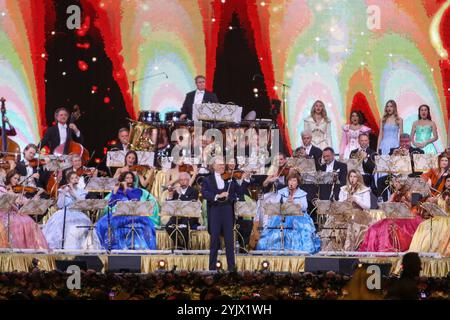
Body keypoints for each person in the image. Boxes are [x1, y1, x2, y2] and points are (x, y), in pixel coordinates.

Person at [256, 173, 320, 253]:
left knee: (300, 227)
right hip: (283, 216)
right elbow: (276, 204)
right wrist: (285, 204)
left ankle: (297, 249)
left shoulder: (302, 193)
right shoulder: (281, 192)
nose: (291, 182)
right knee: (276, 225)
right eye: (290, 180)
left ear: (297, 183)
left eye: (294, 180)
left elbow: (305, 207)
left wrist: (294, 203)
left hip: (299, 217)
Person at [95, 171, 159, 250]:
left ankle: (137, 246)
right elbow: (111, 204)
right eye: (127, 178)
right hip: (118, 214)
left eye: (131, 178)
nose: (129, 180)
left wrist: (126, 189)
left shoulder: (137, 191)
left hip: (133, 214)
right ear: (123, 180)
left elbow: (135, 201)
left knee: (144, 223)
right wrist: (114, 192)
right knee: (103, 223)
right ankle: (114, 246)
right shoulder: (118, 191)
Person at [359, 176, 423, 252]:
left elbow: (415, 208)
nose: (395, 184)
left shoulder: (412, 192)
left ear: (402, 183)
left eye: (398, 182)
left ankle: (386, 247)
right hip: (397, 217)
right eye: (395, 182)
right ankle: (377, 247)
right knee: (376, 226)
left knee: (388, 226)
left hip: (409, 217)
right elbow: (389, 205)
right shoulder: (396, 193)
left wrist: (405, 202)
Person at [42, 171, 101, 250]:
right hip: (65, 212)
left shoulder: (81, 191)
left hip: (78, 213)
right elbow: (60, 205)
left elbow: (82, 204)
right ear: (68, 180)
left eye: (76, 178)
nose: (74, 180)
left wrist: (73, 191)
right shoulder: (63, 190)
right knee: (60, 226)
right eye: (72, 178)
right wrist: (63, 193)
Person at [319, 170, 372, 251]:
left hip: (358, 212)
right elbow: (340, 203)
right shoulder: (344, 189)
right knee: (332, 219)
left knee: (351, 220)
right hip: (344, 212)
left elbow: (368, 206)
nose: (352, 179)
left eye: (354, 177)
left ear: (358, 178)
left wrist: (356, 200)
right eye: (351, 176)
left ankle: (348, 247)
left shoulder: (364, 190)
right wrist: (345, 201)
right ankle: (333, 245)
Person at [201, 157, 237, 270]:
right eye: (220, 164)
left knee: (229, 241)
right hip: (215, 210)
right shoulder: (208, 179)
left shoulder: (230, 178)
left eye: (223, 164)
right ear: (214, 166)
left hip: (227, 210)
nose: (222, 166)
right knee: (214, 241)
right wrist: (217, 196)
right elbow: (204, 193)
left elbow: (236, 193)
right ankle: (212, 268)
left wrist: (230, 196)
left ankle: (232, 268)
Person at [0, 170, 48, 249]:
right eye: (15, 178)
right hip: (4, 213)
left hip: (15, 213)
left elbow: (25, 202)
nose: (16, 181)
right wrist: (13, 200)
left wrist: (36, 197)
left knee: (29, 221)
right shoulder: (2, 189)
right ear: (9, 178)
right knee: (17, 223)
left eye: (18, 179)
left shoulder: (18, 191)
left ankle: (29, 247)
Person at [376, 134, 424, 201]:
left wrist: (409, 157)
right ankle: (385, 201)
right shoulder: (393, 150)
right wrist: (392, 155)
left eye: (406, 141)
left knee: (416, 182)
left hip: (410, 177)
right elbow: (386, 165)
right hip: (396, 177)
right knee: (380, 180)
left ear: (410, 141)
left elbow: (420, 171)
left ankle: (412, 203)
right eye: (402, 141)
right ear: (399, 142)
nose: (404, 144)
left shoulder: (418, 151)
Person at [409, 176, 450, 253]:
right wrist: (429, 204)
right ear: (445, 183)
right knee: (423, 225)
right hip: (439, 217)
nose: (449, 183)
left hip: (448, 219)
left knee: (438, 227)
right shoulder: (440, 195)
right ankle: (421, 251)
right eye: (448, 181)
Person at [164, 172, 200, 249]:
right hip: (176, 217)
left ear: (188, 180)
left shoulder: (194, 191)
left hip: (189, 217)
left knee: (183, 227)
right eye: (181, 180)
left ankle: (185, 246)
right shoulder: (175, 192)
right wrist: (170, 196)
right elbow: (169, 207)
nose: (183, 182)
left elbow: (190, 204)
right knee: (168, 227)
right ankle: (178, 244)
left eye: (185, 180)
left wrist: (181, 194)